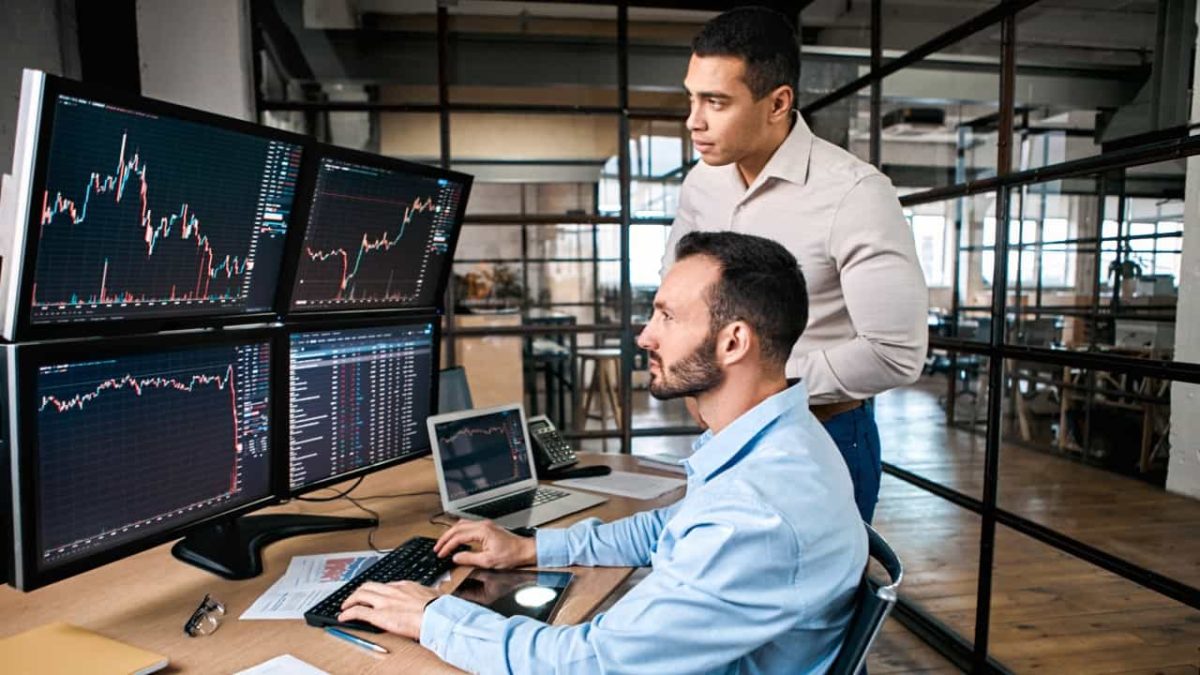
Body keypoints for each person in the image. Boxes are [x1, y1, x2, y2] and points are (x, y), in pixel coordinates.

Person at [338, 231, 867, 674]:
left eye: (666, 317)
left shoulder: (756, 511)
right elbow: (667, 529)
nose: (644, 335)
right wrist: (531, 550)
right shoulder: (780, 442)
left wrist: (433, 617)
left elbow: (593, 663)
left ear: (733, 342)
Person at [664, 6, 929, 523]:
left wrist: (752, 389)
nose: (693, 120)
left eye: (715, 101)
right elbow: (678, 291)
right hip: (717, 437)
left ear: (778, 102)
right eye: (691, 97)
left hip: (822, 436)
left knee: (811, 603)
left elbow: (897, 353)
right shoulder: (702, 180)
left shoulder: (854, 194)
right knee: (728, 595)